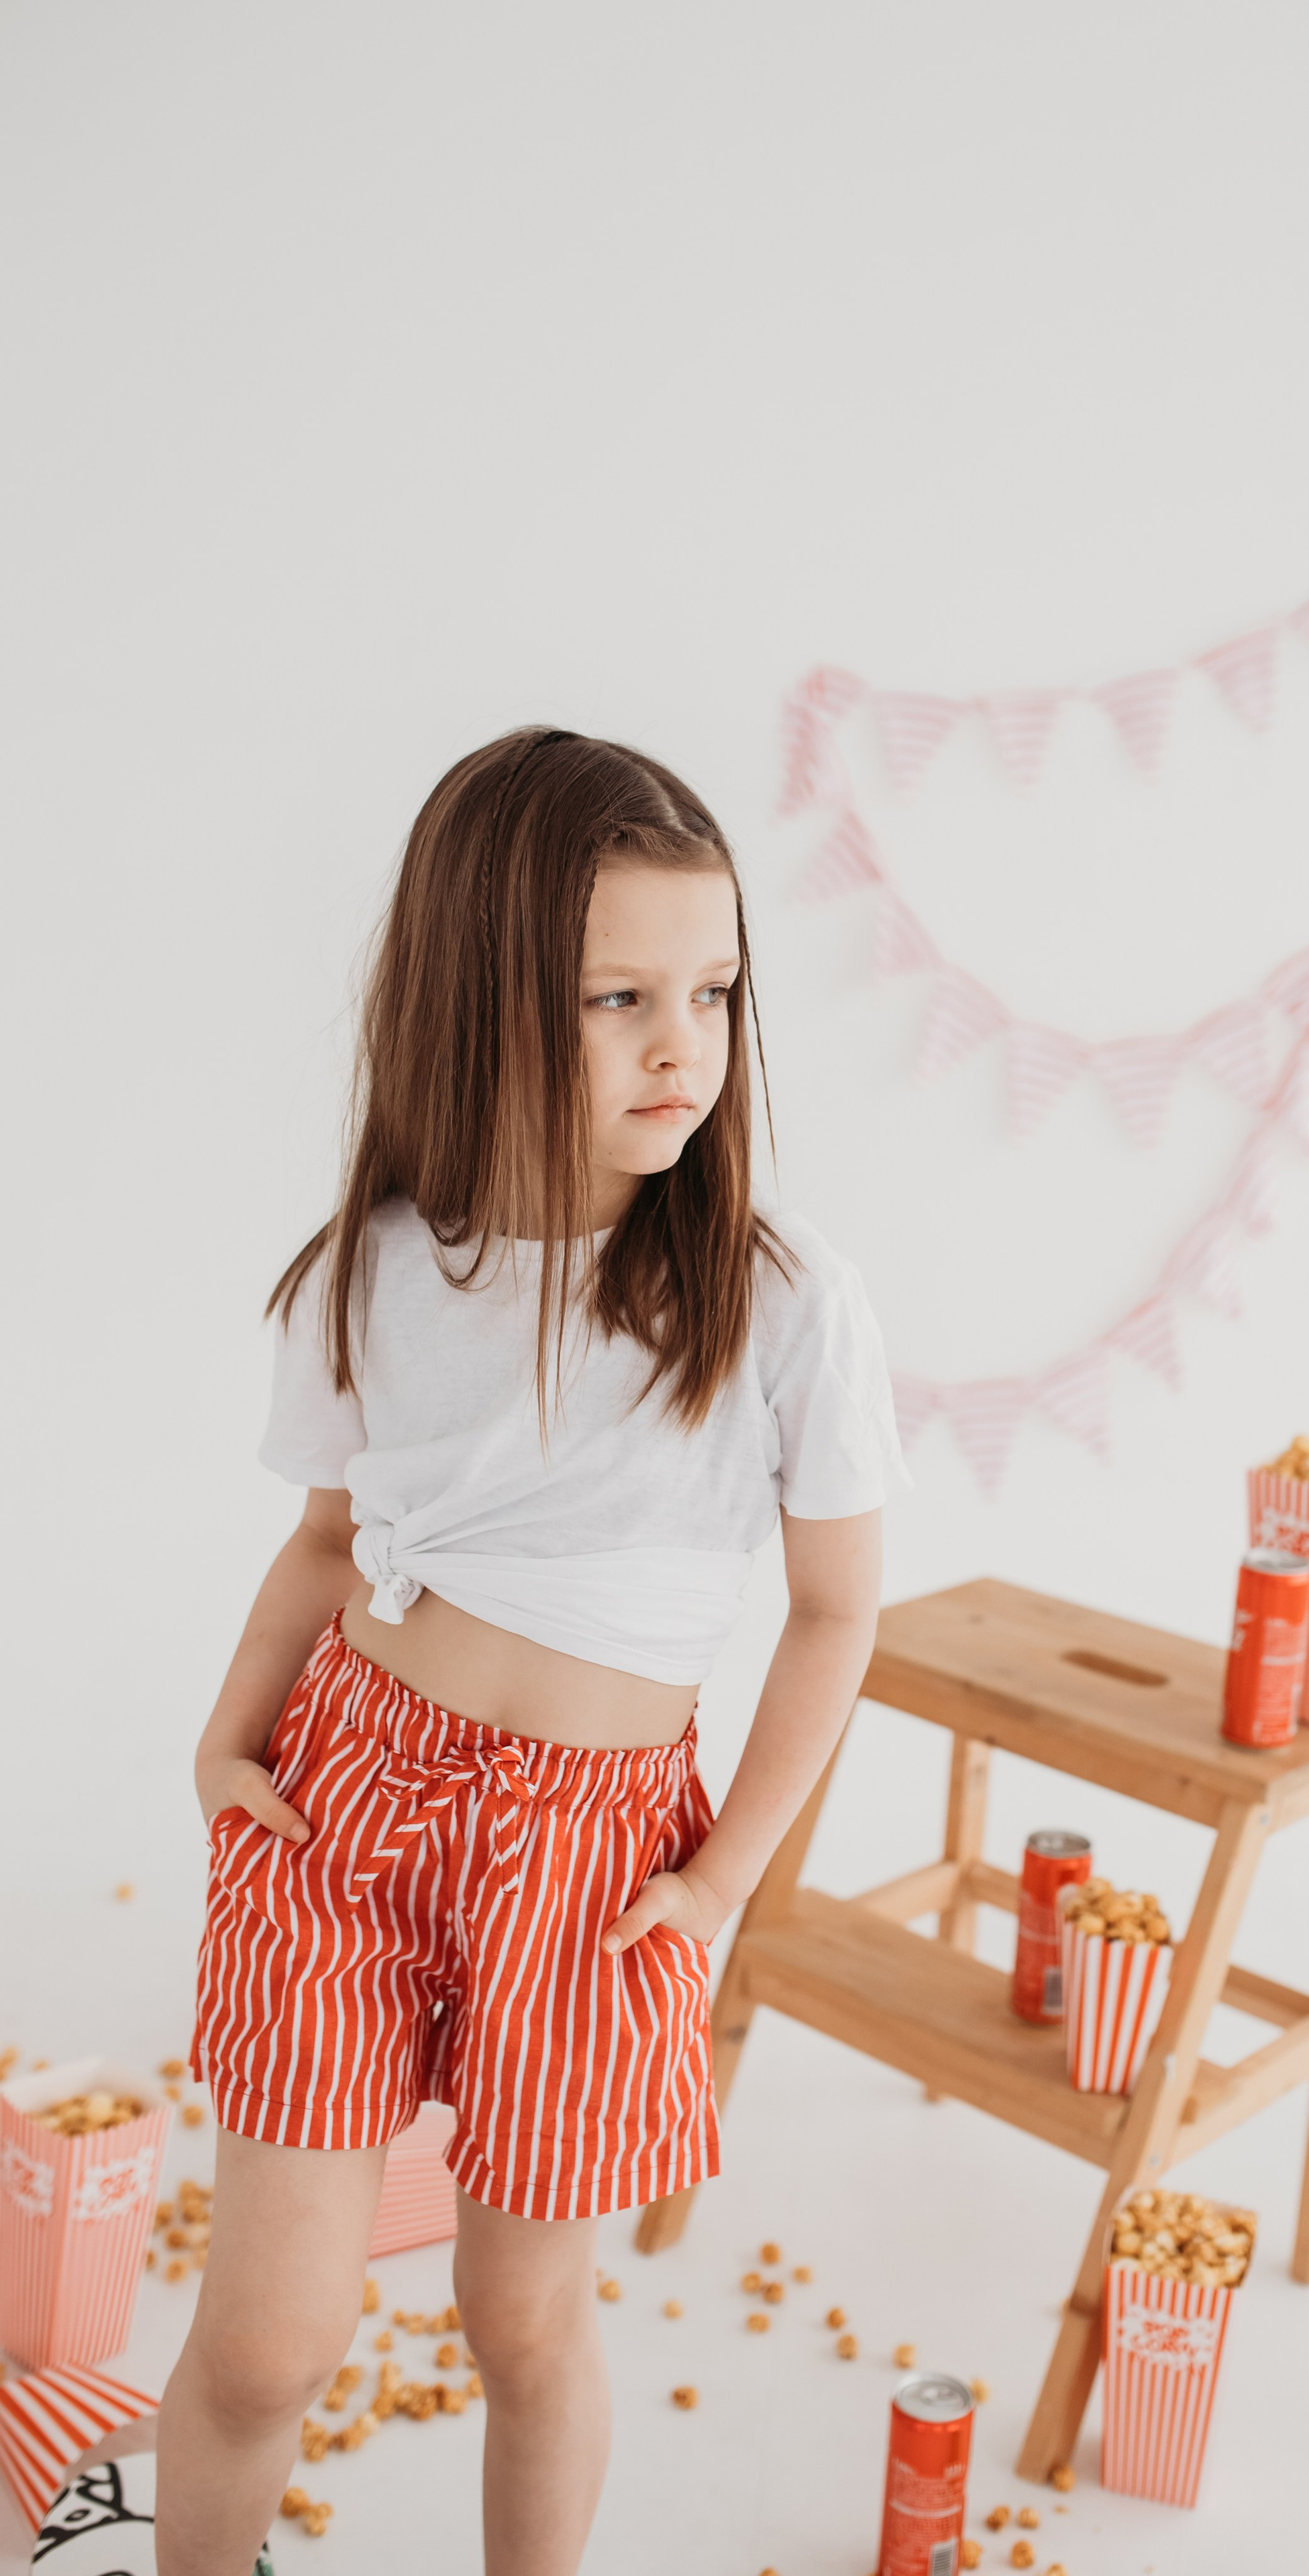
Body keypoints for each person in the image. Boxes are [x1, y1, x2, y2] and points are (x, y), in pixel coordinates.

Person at [154, 729, 907, 2575]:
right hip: (345, 1807)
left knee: (525, 2319)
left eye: (716, 990)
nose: (684, 1043)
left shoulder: (779, 1303)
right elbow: (326, 1546)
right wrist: (223, 1744)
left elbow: (835, 1611)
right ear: (483, 1001)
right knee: (265, 2343)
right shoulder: (385, 1268)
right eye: (620, 996)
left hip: (596, 1863)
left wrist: (721, 1887)